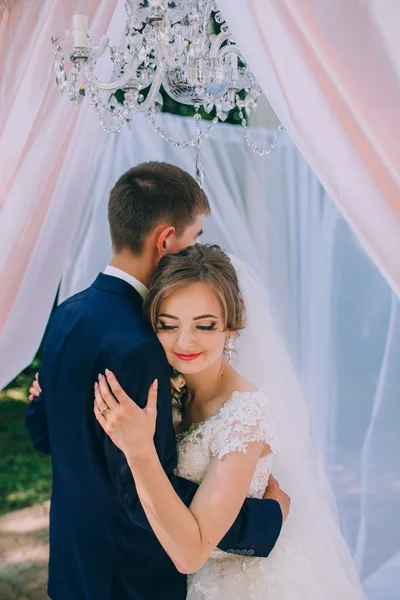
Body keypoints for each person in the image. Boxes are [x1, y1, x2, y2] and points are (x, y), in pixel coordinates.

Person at [26, 162, 288, 600]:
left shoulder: (69, 313)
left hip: (75, 561)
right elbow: (138, 489)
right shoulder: (142, 344)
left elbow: (45, 434)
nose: (195, 247)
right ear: (166, 240)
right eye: (195, 236)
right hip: (128, 576)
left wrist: (43, 399)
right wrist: (261, 521)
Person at [92, 244, 367, 600]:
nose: (185, 342)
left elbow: (191, 554)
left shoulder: (244, 418)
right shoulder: (171, 391)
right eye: (168, 325)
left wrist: (139, 449)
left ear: (231, 328)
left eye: (205, 326)